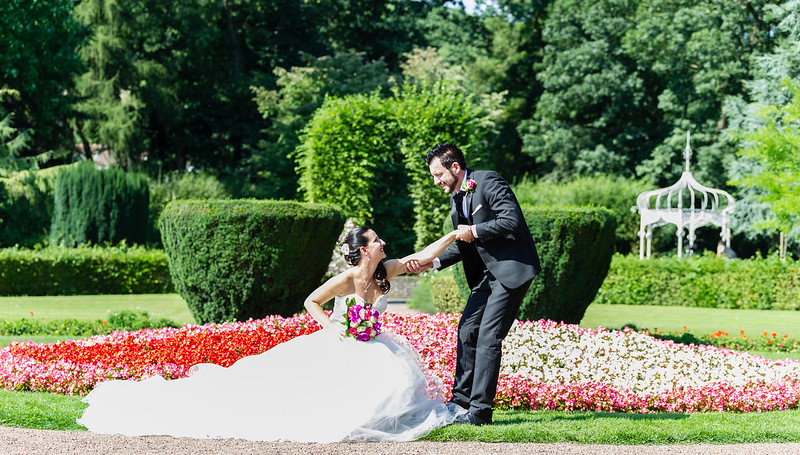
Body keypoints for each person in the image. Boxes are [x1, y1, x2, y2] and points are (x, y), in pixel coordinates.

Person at [78, 227, 464, 442]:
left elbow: (426, 258)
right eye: (376, 240)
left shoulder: (386, 271)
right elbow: (311, 302)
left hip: (374, 344)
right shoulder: (346, 279)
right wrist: (334, 329)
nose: (382, 242)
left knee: (391, 377)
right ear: (363, 251)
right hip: (344, 344)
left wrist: (454, 234)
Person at [407, 143, 541, 426]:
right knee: (467, 329)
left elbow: (512, 220)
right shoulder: (458, 199)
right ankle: (460, 402)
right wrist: (432, 262)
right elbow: (464, 243)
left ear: (455, 167)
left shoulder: (488, 180)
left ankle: (480, 412)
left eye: (437, 174)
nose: (436, 181)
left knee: (488, 336)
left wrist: (475, 230)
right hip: (486, 276)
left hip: (511, 270)